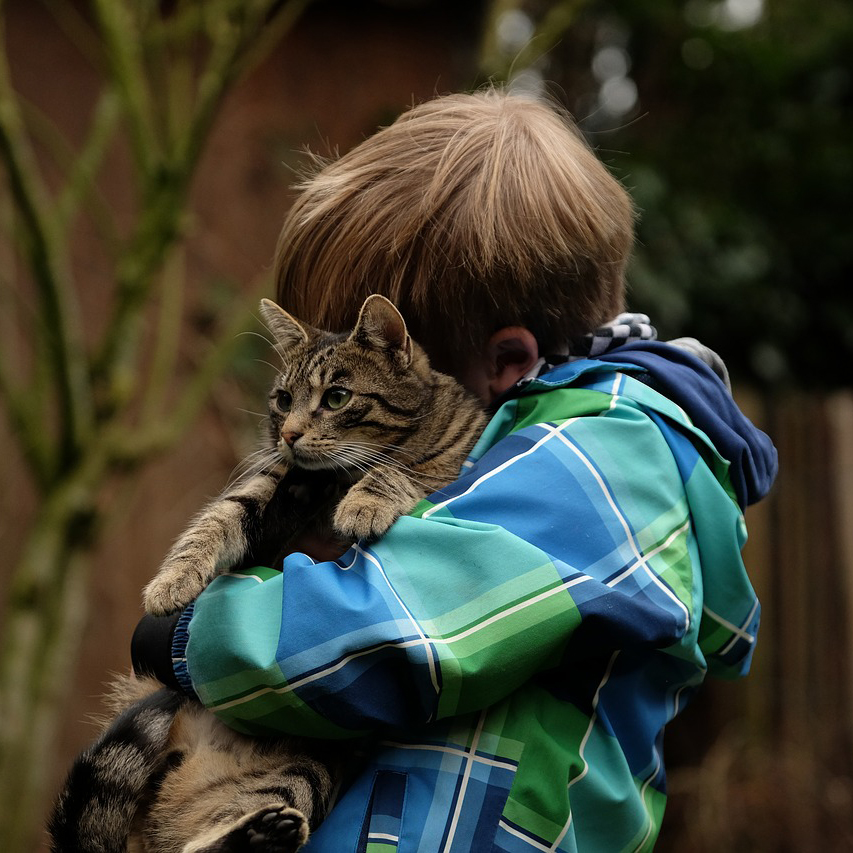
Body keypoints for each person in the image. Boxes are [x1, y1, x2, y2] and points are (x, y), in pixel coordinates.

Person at [134, 89, 777, 851]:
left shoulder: (607, 456)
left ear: (506, 363)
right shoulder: (544, 450)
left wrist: (186, 636)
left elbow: (390, 633)